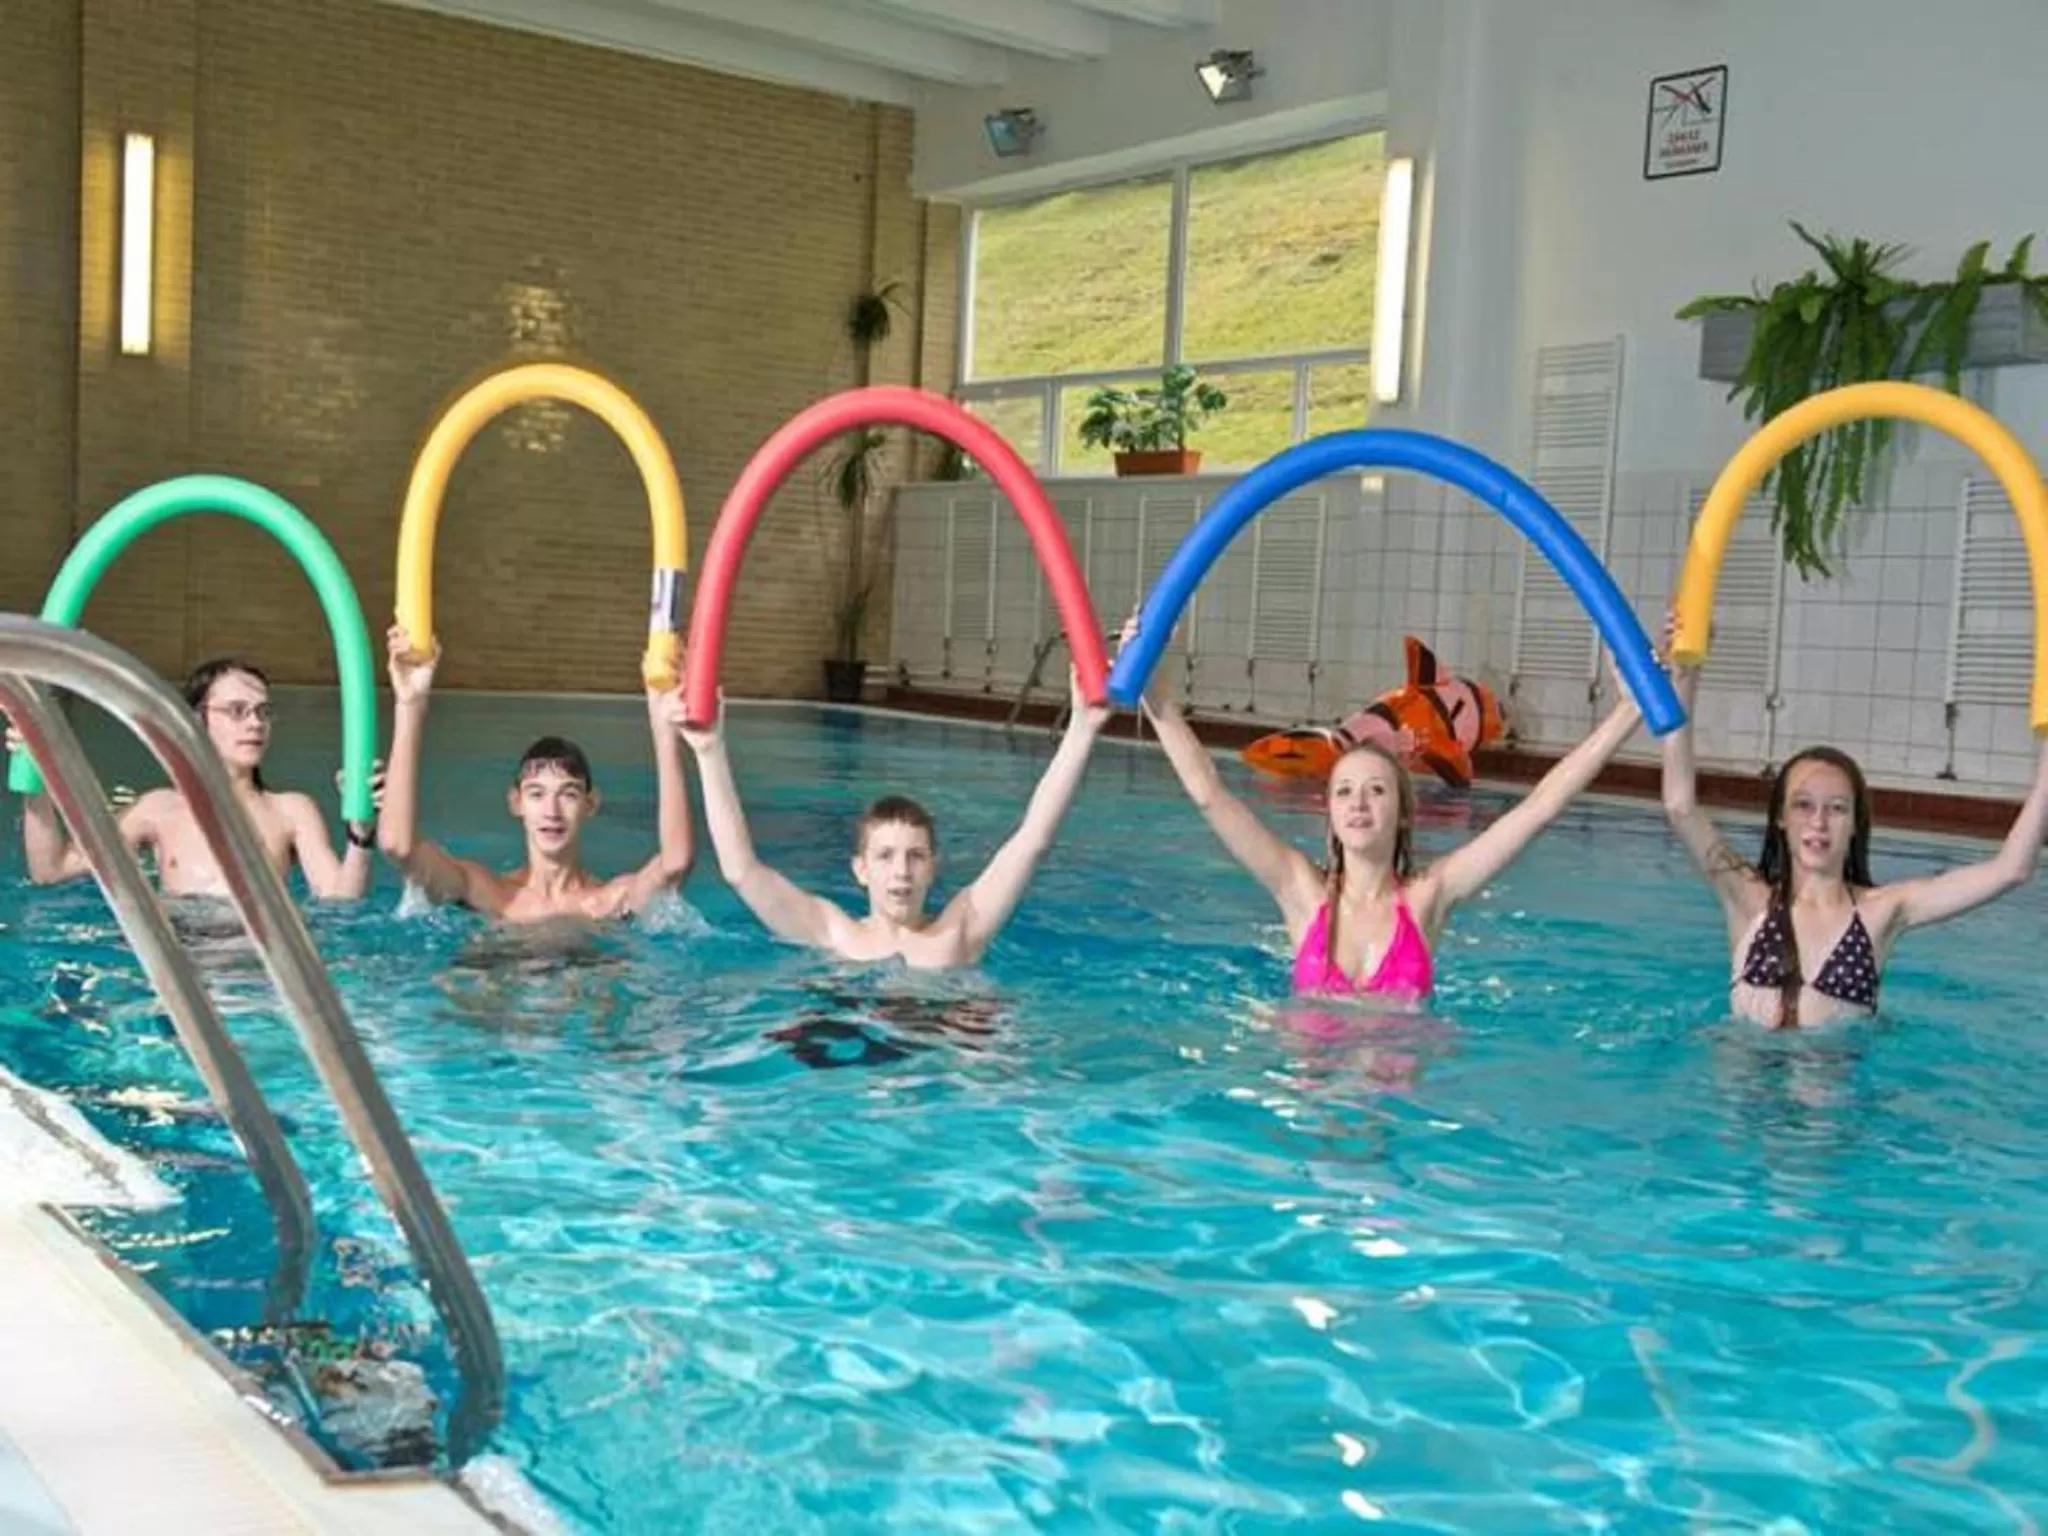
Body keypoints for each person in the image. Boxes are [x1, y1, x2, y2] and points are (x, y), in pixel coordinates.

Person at [1131, 626, 1643, 1003]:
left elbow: (1537, 810)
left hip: (1393, 1120)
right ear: (1329, 812)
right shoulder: (1301, 892)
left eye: (1376, 790)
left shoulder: (1427, 898)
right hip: (1308, 1106)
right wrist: (1153, 692)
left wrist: (1628, 712)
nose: (1357, 802)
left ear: (1401, 811)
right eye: (1344, 791)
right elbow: (1209, 794)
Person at [1660, 618, 2048, 1028]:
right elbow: (1680, 805)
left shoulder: (1884, 911)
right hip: (1740, 1082)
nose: (1819, 823)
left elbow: (2011, 869)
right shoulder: (1748, 898)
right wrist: (1686, 675)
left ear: (1855, 824)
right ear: (1780, 819)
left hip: (1833, 1082)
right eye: (1803, 805)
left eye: (1837, 808)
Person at [679, 670, 1108, 969]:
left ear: (932, 867)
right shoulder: (833, 932)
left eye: (916, 856)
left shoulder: (959, 931)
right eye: (885, 856)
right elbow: (740, 871)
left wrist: (1083, 730)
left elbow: (1032, 841)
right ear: (860, 869)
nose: (901, 871)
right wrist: (709, 751)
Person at [378, 626, 693, 923]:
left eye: (568, 794)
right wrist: (410, 704)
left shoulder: (611, 901)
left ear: (591, 803)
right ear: (516, 802)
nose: (551, 812)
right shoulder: (488, 892)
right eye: (536, 794)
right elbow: (399, 846)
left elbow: (675, 861)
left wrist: (664, 727)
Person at [7, 657, 377, 901]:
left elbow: (339, 902)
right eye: (237, 711)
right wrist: (38, 781)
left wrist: (361, 834)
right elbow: (51, 871)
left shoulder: (291, 811)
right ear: (196, 722)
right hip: (183, 972)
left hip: (258, 971)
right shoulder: (158, 810)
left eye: (263, 712)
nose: (255, 723)